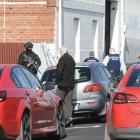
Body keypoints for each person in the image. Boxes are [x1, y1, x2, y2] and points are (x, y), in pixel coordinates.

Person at [56, 47, 75, 127]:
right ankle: (69, 118)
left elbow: (59, 72)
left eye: (60, 52)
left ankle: (59, 119)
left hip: (62, 84)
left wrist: (57, 81)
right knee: (68, 102)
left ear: (62, 52)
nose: (59, 54)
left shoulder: (62, 59)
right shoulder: (72, 59)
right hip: (70, 84)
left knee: (58, 101)